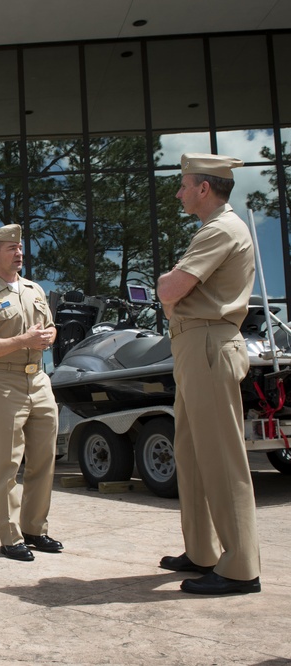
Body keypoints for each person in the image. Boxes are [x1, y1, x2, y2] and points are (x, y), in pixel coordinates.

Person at [156, 153, 261, 595]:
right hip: (195, 347)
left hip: (207, 345)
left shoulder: (219, 229)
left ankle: (240, 568)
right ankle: (202, 551)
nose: (179, 193)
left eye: (183, 185)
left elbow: (170, 289)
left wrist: (166, 284)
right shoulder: (212, 230)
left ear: (204, 188)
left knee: (220, 456)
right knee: (193, 455)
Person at [0, 224, 61, 562]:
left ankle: (36, 528)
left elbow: (48, 328)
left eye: (19, 248)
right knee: (7, 464)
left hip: (39, 381)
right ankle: (10, 537)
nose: (19, 253)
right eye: (10, 249)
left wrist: (50, 336)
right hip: (4, 383)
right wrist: (23, 341)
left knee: (44, 460)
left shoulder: (35, 290)